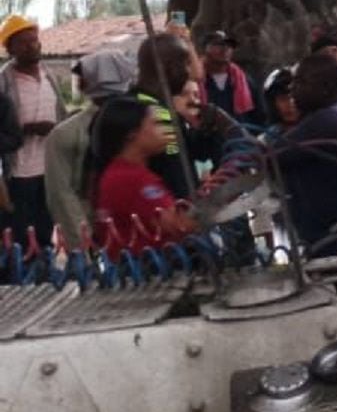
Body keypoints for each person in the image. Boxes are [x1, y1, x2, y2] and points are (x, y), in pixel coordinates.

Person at [43, 49, 137, 246]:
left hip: (103, 224)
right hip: (137, 227)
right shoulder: (152, 119)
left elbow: (60, 194)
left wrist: (81, 237)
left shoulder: (64, 133)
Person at [276, 54, 337, 247]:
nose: (292, 89)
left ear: (324, 87)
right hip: (327, 232)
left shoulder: (328, 120)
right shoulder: (334, 112)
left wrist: (227, 126)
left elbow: (270, 157)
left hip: (330, 238)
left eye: (299, 82)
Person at [0, 15, 69, 248]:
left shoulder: (48, 75)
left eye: (35, 39)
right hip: (17, 174)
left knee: (45, 231)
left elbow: (61, 113)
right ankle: (20, 280)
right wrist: (29, 129)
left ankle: (44, 279)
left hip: (48, 169)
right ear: (10, 48)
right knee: (19, 235)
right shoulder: (4, 82)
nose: (32, 45)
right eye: (24, 42)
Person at [89, 96, 194, 245]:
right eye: (156, 124)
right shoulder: (131, 179)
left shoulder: (117, 172)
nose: (166, 129)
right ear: (132, 134)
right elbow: (179, 225)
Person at [133, 33, 205, 202]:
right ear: (170, 67)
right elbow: (171, 167)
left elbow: (183, 155)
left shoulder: (166, 110)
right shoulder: (144, 112)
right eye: (186, 64)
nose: (189, 73)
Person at [199, 30, 259, 129]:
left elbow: (259, 115)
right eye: (218, 44)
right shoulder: (195, 81)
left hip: (241, 139)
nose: (225, 49)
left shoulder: (244, 80)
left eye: (229, 45)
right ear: (205, 49)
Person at [260, 67, 299, 142]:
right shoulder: (267, 139)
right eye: (283, 99)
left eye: (295, 98)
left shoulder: (318, 132)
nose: (290, 104)